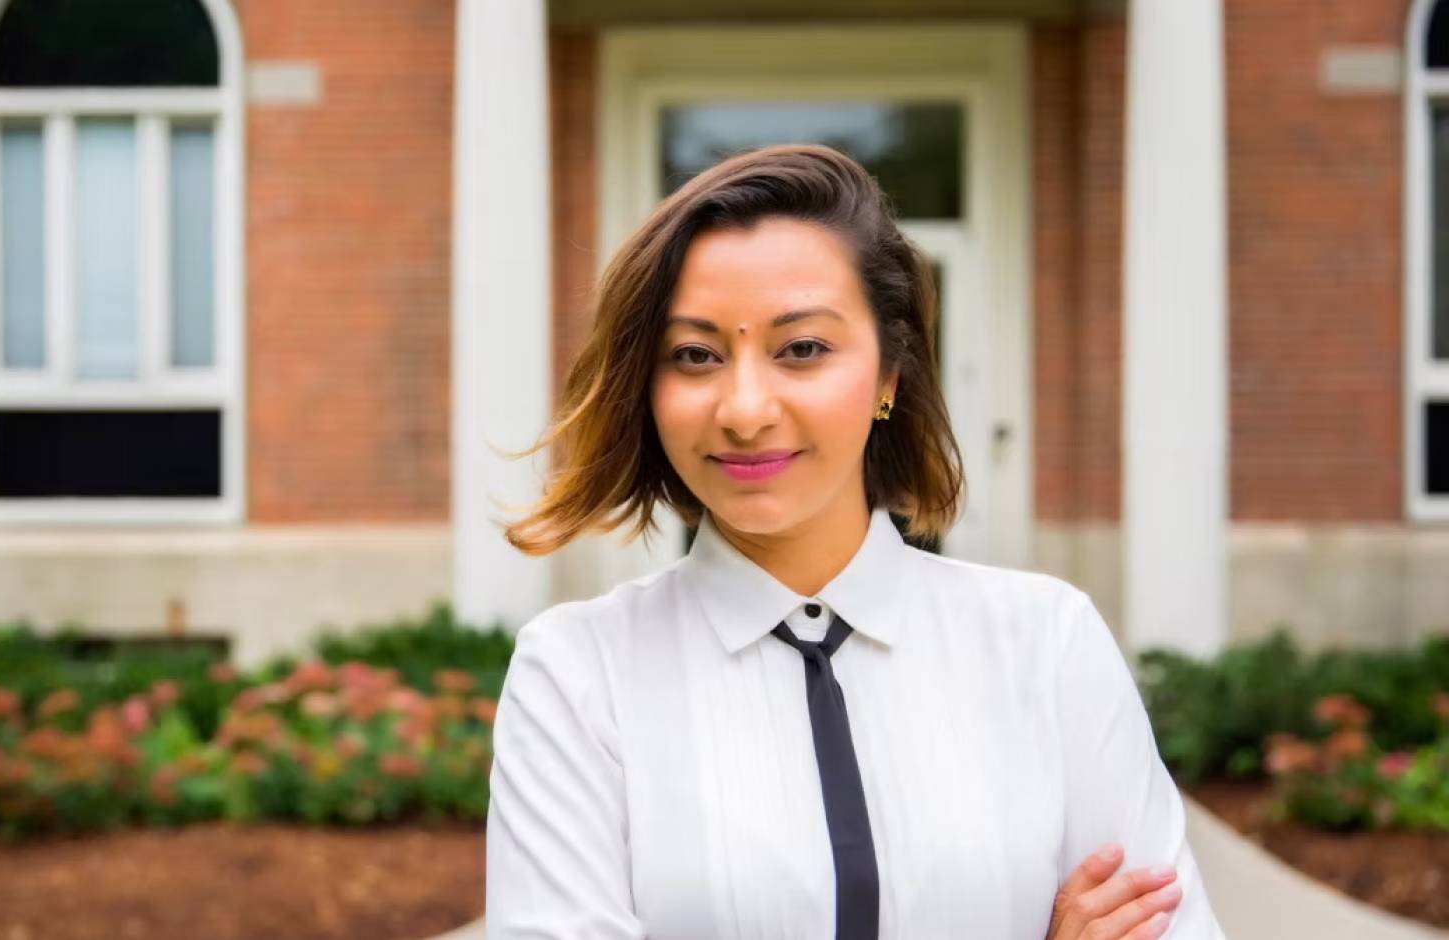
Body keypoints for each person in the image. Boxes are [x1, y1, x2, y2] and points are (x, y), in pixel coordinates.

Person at [483, 143, 1226, 939]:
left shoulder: (1045, 643)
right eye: (695, 355)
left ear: (888, 378)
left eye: (802, 348)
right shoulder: (577, 674)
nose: (743, 409)